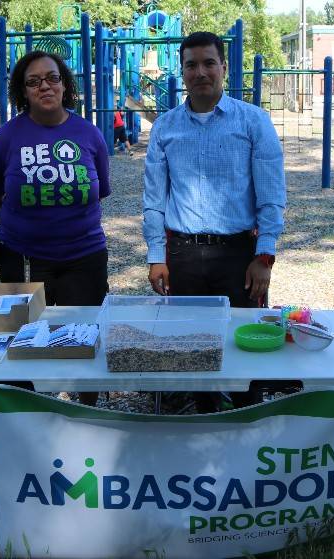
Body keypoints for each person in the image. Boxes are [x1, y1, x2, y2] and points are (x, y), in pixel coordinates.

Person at [143, 32, 286, 414]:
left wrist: (265, 255)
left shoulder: (253, 122)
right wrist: (157, 255)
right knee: (190, 345)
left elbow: (271, 196)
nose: (201, 72)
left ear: (224, 67)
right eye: (191, 64)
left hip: (239, 255)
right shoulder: (165, 128)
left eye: (209, 63)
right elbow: (154, 201)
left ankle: (248, 420)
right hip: (183, 255)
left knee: (244, 347)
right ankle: (203, 417)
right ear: (182, 71)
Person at [0, 51, 110, 407]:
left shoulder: (90, 134)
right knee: (17, 337)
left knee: (84, 339)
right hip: (21, 257)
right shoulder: (6, 138)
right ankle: (24, 409)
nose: (45, 86)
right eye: (34, 81)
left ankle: (86, 407)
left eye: (52, 78)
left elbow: (100, 191)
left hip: (83, 256)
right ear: (23, 91)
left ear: (65, 84)